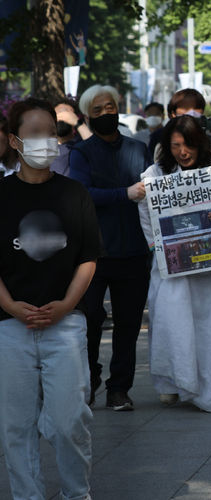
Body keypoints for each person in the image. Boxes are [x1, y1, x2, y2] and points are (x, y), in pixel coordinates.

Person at [0, 98, 100, 500]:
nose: (45, 141)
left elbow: (89, 257)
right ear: (14, 140)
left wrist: (64, 305)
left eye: (51, 133)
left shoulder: (75, 194)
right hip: (11, 327)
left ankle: (77, 494)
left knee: (69, 420)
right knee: (16, 426)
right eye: (34, 133)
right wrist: (8, 305)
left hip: (66, 325)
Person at [138, 115, 211, 413]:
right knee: (174, 323)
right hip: (173, 266)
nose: (183, 152)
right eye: (175, 146)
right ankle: (172, 383)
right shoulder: (155, 174)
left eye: (188, 145)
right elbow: (146, 212)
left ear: (200, 144)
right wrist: (156, 246)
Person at [69, 84, 151, 412]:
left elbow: (153, 189)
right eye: (98, 110)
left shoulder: (137, 148)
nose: (106, 113)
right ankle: (88, 381)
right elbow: (82, 194)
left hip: (134, 250)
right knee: (88, 322)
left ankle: (120, 388)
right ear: (88, 115)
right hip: (94, 254)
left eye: (111, 107)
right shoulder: (81, 152)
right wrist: (124, 194)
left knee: (128, 325)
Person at [147, 89, 211, 165]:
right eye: (186, 108)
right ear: (173, 114)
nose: (192, 112)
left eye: (196, 108)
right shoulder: (162, 146)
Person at [50, 97, 92, 176]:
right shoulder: (43, 146)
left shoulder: (82, 144)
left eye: (67, 114)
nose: (62, 117)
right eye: (58, 113)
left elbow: (97, 152)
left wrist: (78, 124)